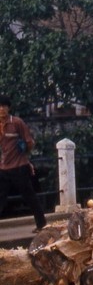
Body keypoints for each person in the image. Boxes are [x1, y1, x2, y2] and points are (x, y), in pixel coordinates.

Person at [0, 96, 47, 229]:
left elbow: (29, 142)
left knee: (29, 196)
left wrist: (24, 155)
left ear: (8, 108)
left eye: (4, 106)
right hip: (3, 167)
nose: (1, 109)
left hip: (19, 167)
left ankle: (41, 224)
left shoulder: (17, 123)